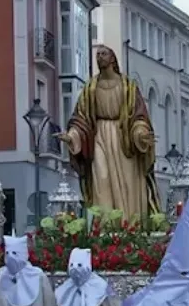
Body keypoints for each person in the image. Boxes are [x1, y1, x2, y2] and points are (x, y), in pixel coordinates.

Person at [57, 45, 162, 218]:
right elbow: (81, 117)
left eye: (103, 54)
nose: (99, 57)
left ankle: (128, 225)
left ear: (112, 58)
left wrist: (140, 134)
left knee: (127, 183)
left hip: (124, 138)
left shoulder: (128, 86)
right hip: (98, 136)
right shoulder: (91, 87)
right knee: (101, 180)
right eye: (97, 55)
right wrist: (72, 136)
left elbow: (138, 116)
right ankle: (104, 229)